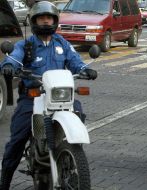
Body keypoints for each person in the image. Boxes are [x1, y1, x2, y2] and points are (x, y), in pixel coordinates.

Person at [0, 1, 97, 189]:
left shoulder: (62, 43)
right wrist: (9, 66)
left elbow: (76, 61)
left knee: (77, 109)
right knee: (17, 140)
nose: (45, 21)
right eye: (41, 18)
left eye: (49, 18)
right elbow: (13, 57)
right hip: (33, 96)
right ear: (34, 21)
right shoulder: (26, 44)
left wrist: (86, 70)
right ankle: (4, 181)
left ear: (55, 20)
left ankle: (71, 152)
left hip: (60, 96)